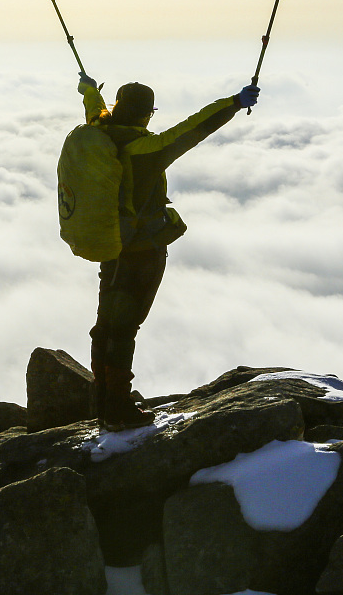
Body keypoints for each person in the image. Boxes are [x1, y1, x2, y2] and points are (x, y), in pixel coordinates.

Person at [77, 73, 261, 430]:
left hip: (110, 245)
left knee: (106, 326)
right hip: (140, 251)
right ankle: (117, 408)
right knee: (122, 328)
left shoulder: (99, 132)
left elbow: (93, 108)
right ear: (146, 115)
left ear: (116, 107)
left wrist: (88, 89)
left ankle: (103, 401)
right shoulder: (147, 150)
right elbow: (194, 128)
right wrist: (235, 103)